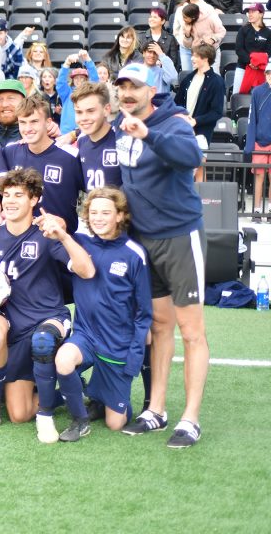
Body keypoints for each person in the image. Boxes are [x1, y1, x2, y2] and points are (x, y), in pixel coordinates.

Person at [113, 61, 208, 449]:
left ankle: (191, 419)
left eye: (135, 86)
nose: (127, 92)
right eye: (122, 86)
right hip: (143, 241)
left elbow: (191, 157)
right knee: (159, 328)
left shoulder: (172, 124)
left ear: (152, 89)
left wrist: (149, 133)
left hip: (179, 238)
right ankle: (157, 409)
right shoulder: (121, 122)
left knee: (191, 331)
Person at [0, 168, 95, 440]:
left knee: (43, 342)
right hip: (15, 328)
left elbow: (86, 270)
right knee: (18, 414)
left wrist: (63, 235)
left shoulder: (46, 236)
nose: (10, 201)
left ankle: (48, 414)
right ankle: (64, 388)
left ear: (34, 200)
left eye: (19, 195)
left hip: (49, 319)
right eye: (6, 195)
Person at [55, 187, 152, 441]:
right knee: (63, 359)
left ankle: (100, 397)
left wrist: (134, 357)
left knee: (115, 423)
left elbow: (144, 313)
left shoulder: (134, 254)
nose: (98, 218)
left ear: (119, 216)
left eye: (106, 212)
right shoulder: (80, 244)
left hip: (117, 345)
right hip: (86, 335)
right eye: (93, 212)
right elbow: (55, 234)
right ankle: (80, 420)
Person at [4, 96, 85, 233]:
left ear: (48, 123)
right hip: (20, 239)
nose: (28, 128)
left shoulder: (71, 156)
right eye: (22, 122)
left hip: (59, 239)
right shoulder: (10, 151)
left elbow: (95, 193)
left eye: (34, 121)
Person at [173, 46, 225, 160]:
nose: (192, 58)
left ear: (206, 58)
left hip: (202, 132)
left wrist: (196, 121)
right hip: (183, 129)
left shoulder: (217, 81)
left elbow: (217, 112)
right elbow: (177, 103)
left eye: (195, 56)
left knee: (200, 167)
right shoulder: (187, 79)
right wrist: (182, 117)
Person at [72, 81, 122, 191]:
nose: (84, 118)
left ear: (106, 110)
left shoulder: (121, 140)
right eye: (79, 112)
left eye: (90, 111)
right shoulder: (81, 141)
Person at [246, 67, 271, 220]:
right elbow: (251, 119)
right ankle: (256, 210)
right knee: (259, 177)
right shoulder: (257, 92)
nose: (270, 76)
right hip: (260, 142)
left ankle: (269, 210)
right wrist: (250, 144)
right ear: (265, 74)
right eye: (268, 73)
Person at [57, 51, 99, 134]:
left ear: (86, 79)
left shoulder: (90, 92)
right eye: (76, 78)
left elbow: (95, 79)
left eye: (82, 78)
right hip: (66, 133)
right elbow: (60, 82)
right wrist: (67, 62)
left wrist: (87, 59)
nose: (79, 80)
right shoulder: (67, 93)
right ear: (72, 80)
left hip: (85, 132)